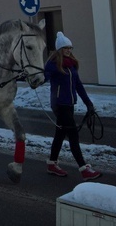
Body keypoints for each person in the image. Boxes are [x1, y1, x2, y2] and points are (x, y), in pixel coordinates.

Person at [45, 31, 102, 181]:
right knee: (73, 135)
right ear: (59, 49)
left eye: (70, 47)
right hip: (59, 104)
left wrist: (88, 103)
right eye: (65, 48)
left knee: (60, 134)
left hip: (69, 104)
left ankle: (52, 163)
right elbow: (43, 77)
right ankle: (83, 169)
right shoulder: (52, 65)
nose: (69, 50)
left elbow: (78, 85)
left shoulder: (71, 66)